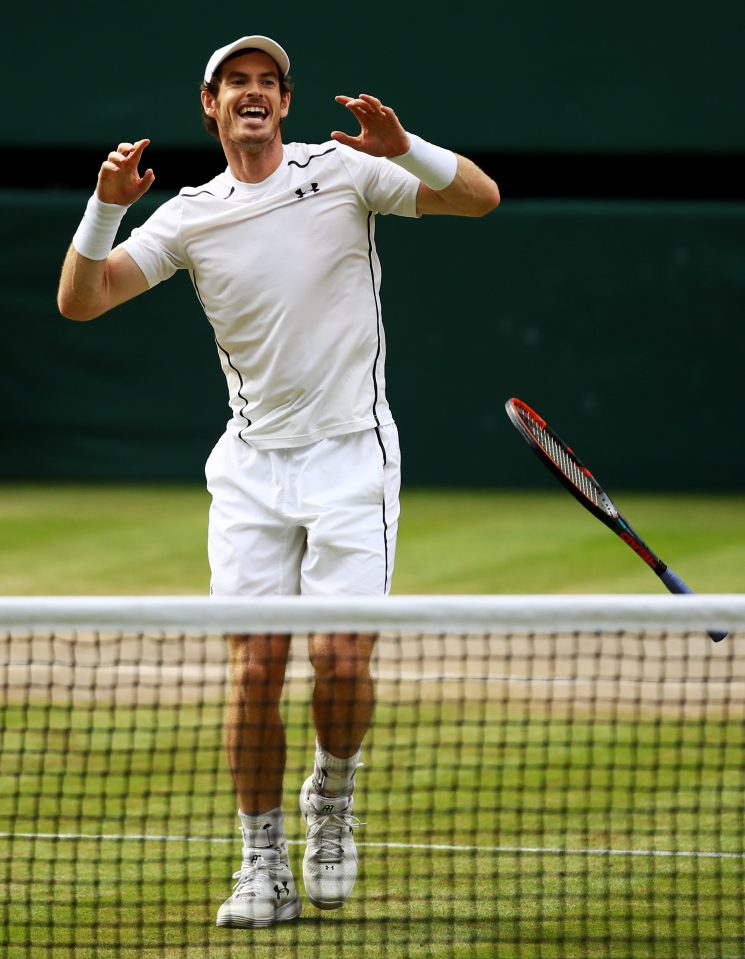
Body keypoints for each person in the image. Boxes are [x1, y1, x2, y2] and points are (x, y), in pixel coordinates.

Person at [57, 34, 500, 929]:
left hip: (351, 459)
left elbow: (478, 198)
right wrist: (104, 209)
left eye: (267, 83)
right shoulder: (188, 215)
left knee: (340, 662)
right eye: (236, 84)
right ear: (209, 105)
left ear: (286, 104)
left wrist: (402, 146)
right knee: (255, 671)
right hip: (252, 471)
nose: (252, 94)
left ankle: (330, 799)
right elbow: (84, 297)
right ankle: (262, 864)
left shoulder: (346, 173)